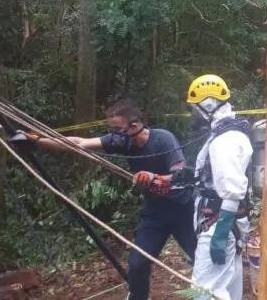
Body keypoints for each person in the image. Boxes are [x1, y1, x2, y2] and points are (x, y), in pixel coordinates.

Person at [27, 99, 196, 300]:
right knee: (137, 263)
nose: (114, 134)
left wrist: (154, 177)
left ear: (134, 126)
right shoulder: (123, 141)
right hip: (155, 214)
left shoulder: (163, 139)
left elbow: (180, 175)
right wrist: (36, 142)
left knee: (201, 258)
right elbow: (79, 144)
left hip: (182, 210)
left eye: (118, 129)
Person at [186, 74, 252, 300]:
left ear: (208, 105)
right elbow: (213, 177)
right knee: (229, 288)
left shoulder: (225, 140)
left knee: (205, 292)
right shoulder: (223, 134)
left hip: (219, 224)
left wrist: (220, 233)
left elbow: (233, 188)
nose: (192, 114)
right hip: (225, 223)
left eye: (195, 108)